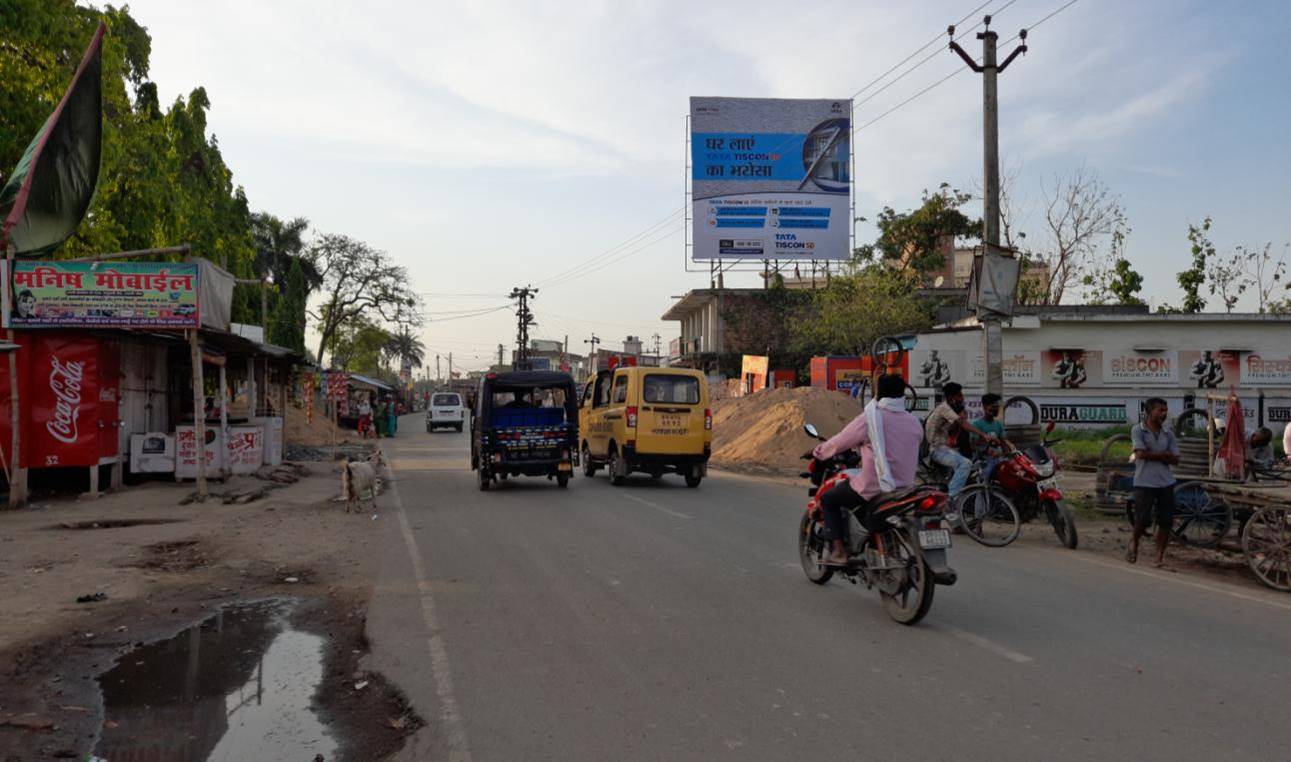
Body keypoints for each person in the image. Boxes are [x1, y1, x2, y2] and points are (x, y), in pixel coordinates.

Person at [812, 374, 923, 567]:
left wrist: (818, 452)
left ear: (878, 392)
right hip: (905, 486)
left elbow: (840, 441)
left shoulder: (870, 418)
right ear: (903, 394)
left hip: (875, 486)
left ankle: (838, 552)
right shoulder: (914, 421)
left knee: (828, 499)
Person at [1127, 397, 1180, 568]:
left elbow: (1176, 459)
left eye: (1165, 411)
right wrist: (1164, 455)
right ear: (1149, 412)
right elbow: (1140, 454)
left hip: (1166, 482)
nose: (1163, 414)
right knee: (1142, 520)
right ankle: (1134, 541)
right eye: (1160, 410)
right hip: (1144, 482)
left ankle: (1159, 556)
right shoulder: (1138, 430)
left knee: (1166, 521)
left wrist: (1153, 455)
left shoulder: (1168, 433)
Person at [925, 382, 1000, 501]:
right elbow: (964, 425)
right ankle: (951, 500)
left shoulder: (951, 410)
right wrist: (984, 435)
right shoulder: (944, 408)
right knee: (965, 464)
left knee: (971, 466)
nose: (962, 398)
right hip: (937, 450)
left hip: (945, 449)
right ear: (951, 398)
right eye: (959, 396)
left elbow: (955, 429)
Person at [974, 393, 1011, 483]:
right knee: (987, 474)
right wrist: (988, 451)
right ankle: (983, 489)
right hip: (983, 460)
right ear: (984, 407)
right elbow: (974, 445)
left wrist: (1009, 454)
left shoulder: (998, 424)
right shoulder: (977, 424)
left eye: (997, 407)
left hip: (998, 458)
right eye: (993, 407)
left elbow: (1003, 443)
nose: (996, 409)